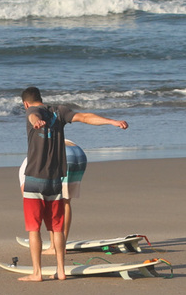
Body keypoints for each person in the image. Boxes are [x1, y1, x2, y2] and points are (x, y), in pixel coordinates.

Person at [19, 86, 128, 282]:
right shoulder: (59, 111)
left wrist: (36, 122)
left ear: (25, 103)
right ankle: (60, 271)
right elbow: (85, 117)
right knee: (57, 228)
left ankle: (37, 273)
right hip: (55, 179)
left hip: (35, 178)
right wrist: (111, 122)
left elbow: (32, 116)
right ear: (40, 98)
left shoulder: (31, 111)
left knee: (34, 229)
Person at [19, 138, 86, 251]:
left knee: (52, 202)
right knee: (65, 201)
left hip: (59, 154)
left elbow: (40, 205)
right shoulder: (28, 163)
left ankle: (55, 247)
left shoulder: (26, 174)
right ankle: (60, 244)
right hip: (78, 152)